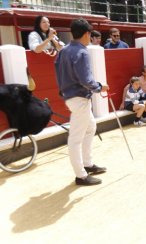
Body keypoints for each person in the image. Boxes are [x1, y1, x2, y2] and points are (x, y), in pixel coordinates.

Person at [54, 18, 109, 186]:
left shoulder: (64, 51)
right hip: (79, 98)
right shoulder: (82, 52)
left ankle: (87, 163)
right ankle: (81, 175)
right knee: (75, 138)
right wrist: (100, 87)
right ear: (86, 34)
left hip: (71, 96)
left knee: (91, 127)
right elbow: (86, 79)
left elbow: (57, 69)